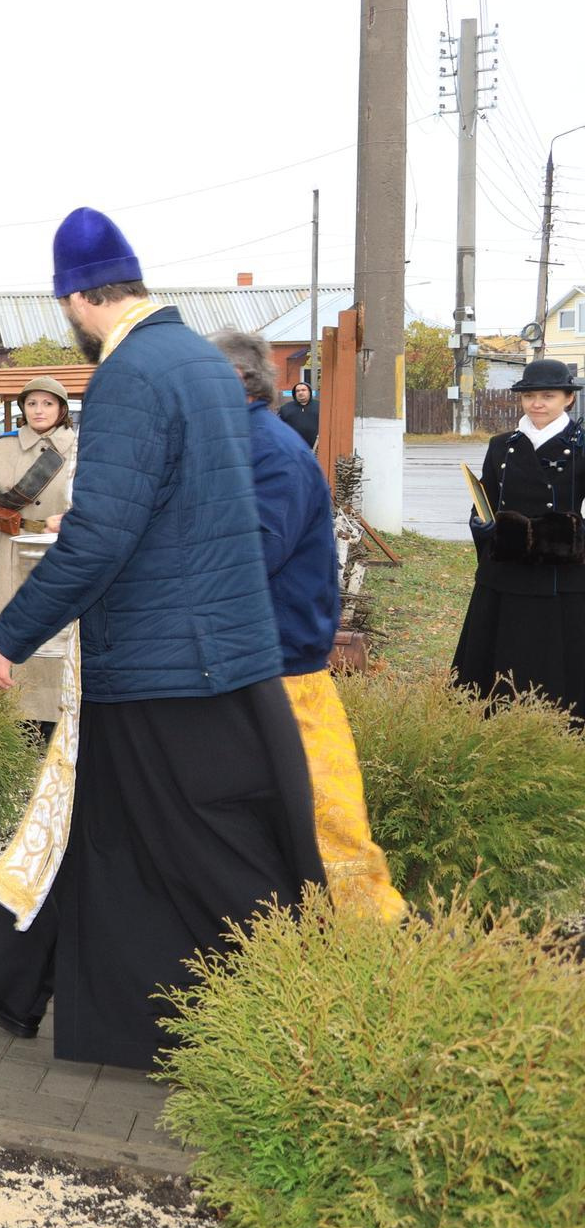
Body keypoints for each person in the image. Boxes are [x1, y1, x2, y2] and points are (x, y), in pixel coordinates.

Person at [0, 209, 323, 1071]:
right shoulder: (202, 363)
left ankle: (298, 1005)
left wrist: (10, 635)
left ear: (73, 297)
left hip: (167, 657)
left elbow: (101, 536)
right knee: (99, 816)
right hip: (217, 640)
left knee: (207, 851)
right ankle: (7, 977)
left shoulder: (132, 372)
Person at [214, 329, 405, 924]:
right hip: (244, 656)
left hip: (279, 663)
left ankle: (368, 932)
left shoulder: (271, 452)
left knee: (325, 812)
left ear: (236, 382)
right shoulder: (235, 442)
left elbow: (251, 556)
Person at [451, 357, 585, 719]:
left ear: (567, 399)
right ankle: (497, 717)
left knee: (557, 661)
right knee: (502, 655)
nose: (537, 404)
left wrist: (562, 536)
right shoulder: (501, 446)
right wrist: (480, 526)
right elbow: (485, 502)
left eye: (548, 395)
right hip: (506, 573)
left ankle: (557, 723)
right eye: (529, 396)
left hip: (560, 576)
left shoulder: (582, 444)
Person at [0, 376, 74, 729]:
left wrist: (70, 521)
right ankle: (14, 716)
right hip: (9, 553)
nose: (39, 410)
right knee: (10, 629)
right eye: (32, 403)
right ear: (23, 408)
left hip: (61, 555)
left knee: (57, 635)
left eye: (48, 403)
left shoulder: (80, 449)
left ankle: (55, 715)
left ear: (61, 409)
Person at [279, 378, 320, 448]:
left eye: (303, 390)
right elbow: (279, 427)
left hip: (316, 449)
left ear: (309, 392)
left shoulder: (320, 407)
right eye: (297, 391)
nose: (300, 393)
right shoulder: (286, 408)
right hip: (293, 449)